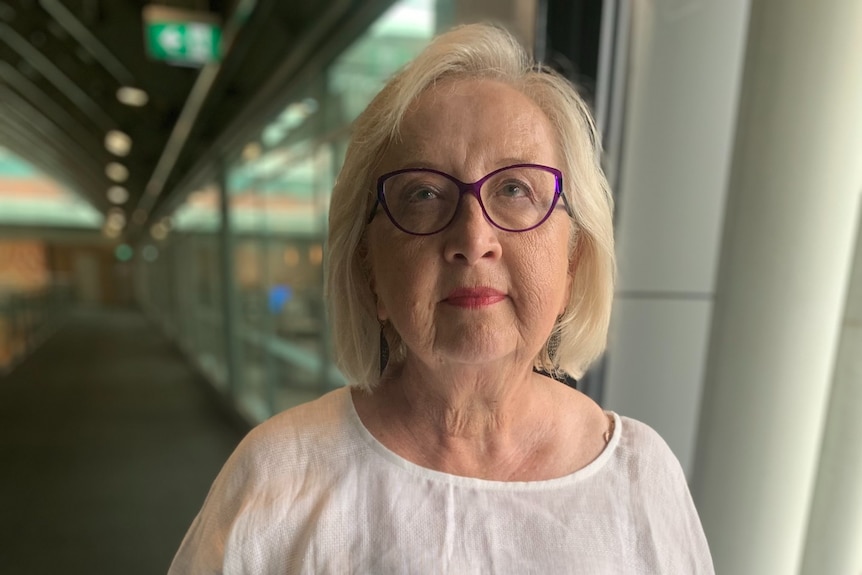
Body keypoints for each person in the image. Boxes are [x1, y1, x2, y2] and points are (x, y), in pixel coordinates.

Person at [169, 23, 713, 574]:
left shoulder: (640, 476)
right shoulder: (279, 476)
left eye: (515, 189)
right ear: (370, 269)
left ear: (573, 261)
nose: (474, 240)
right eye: (424, 194)